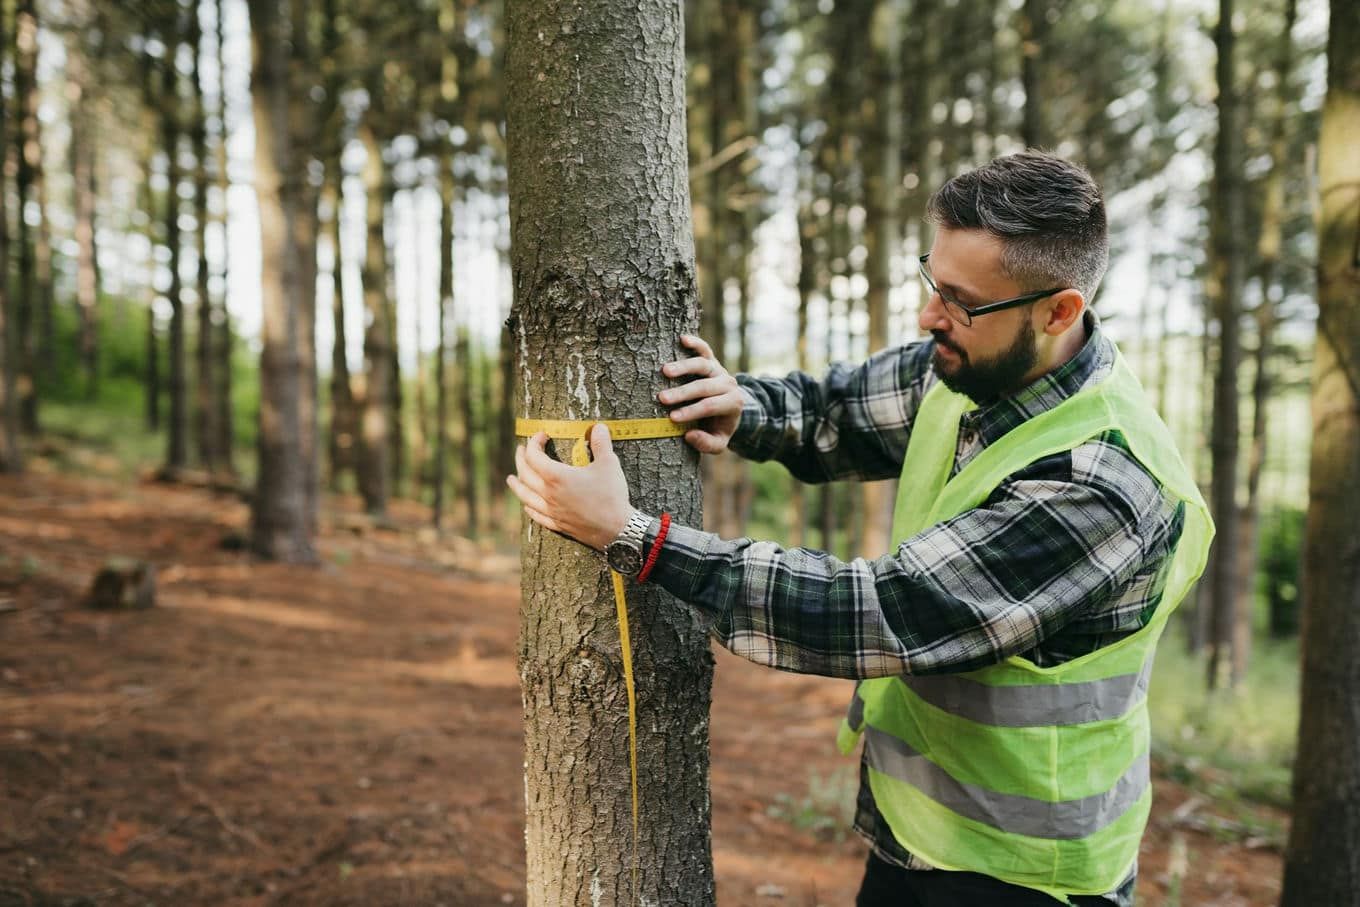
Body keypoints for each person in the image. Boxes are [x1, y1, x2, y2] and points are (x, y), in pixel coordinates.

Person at [506, 151, 1212, 906]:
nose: (928, 315)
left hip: (1024, 873)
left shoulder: (1099, 484)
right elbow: (844, 408)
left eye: (960, 300)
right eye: (931, 281)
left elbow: (878, 613)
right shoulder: (977, 362)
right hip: (919, 834)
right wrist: (745, 405)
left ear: (1058, 311)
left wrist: (639, 538)